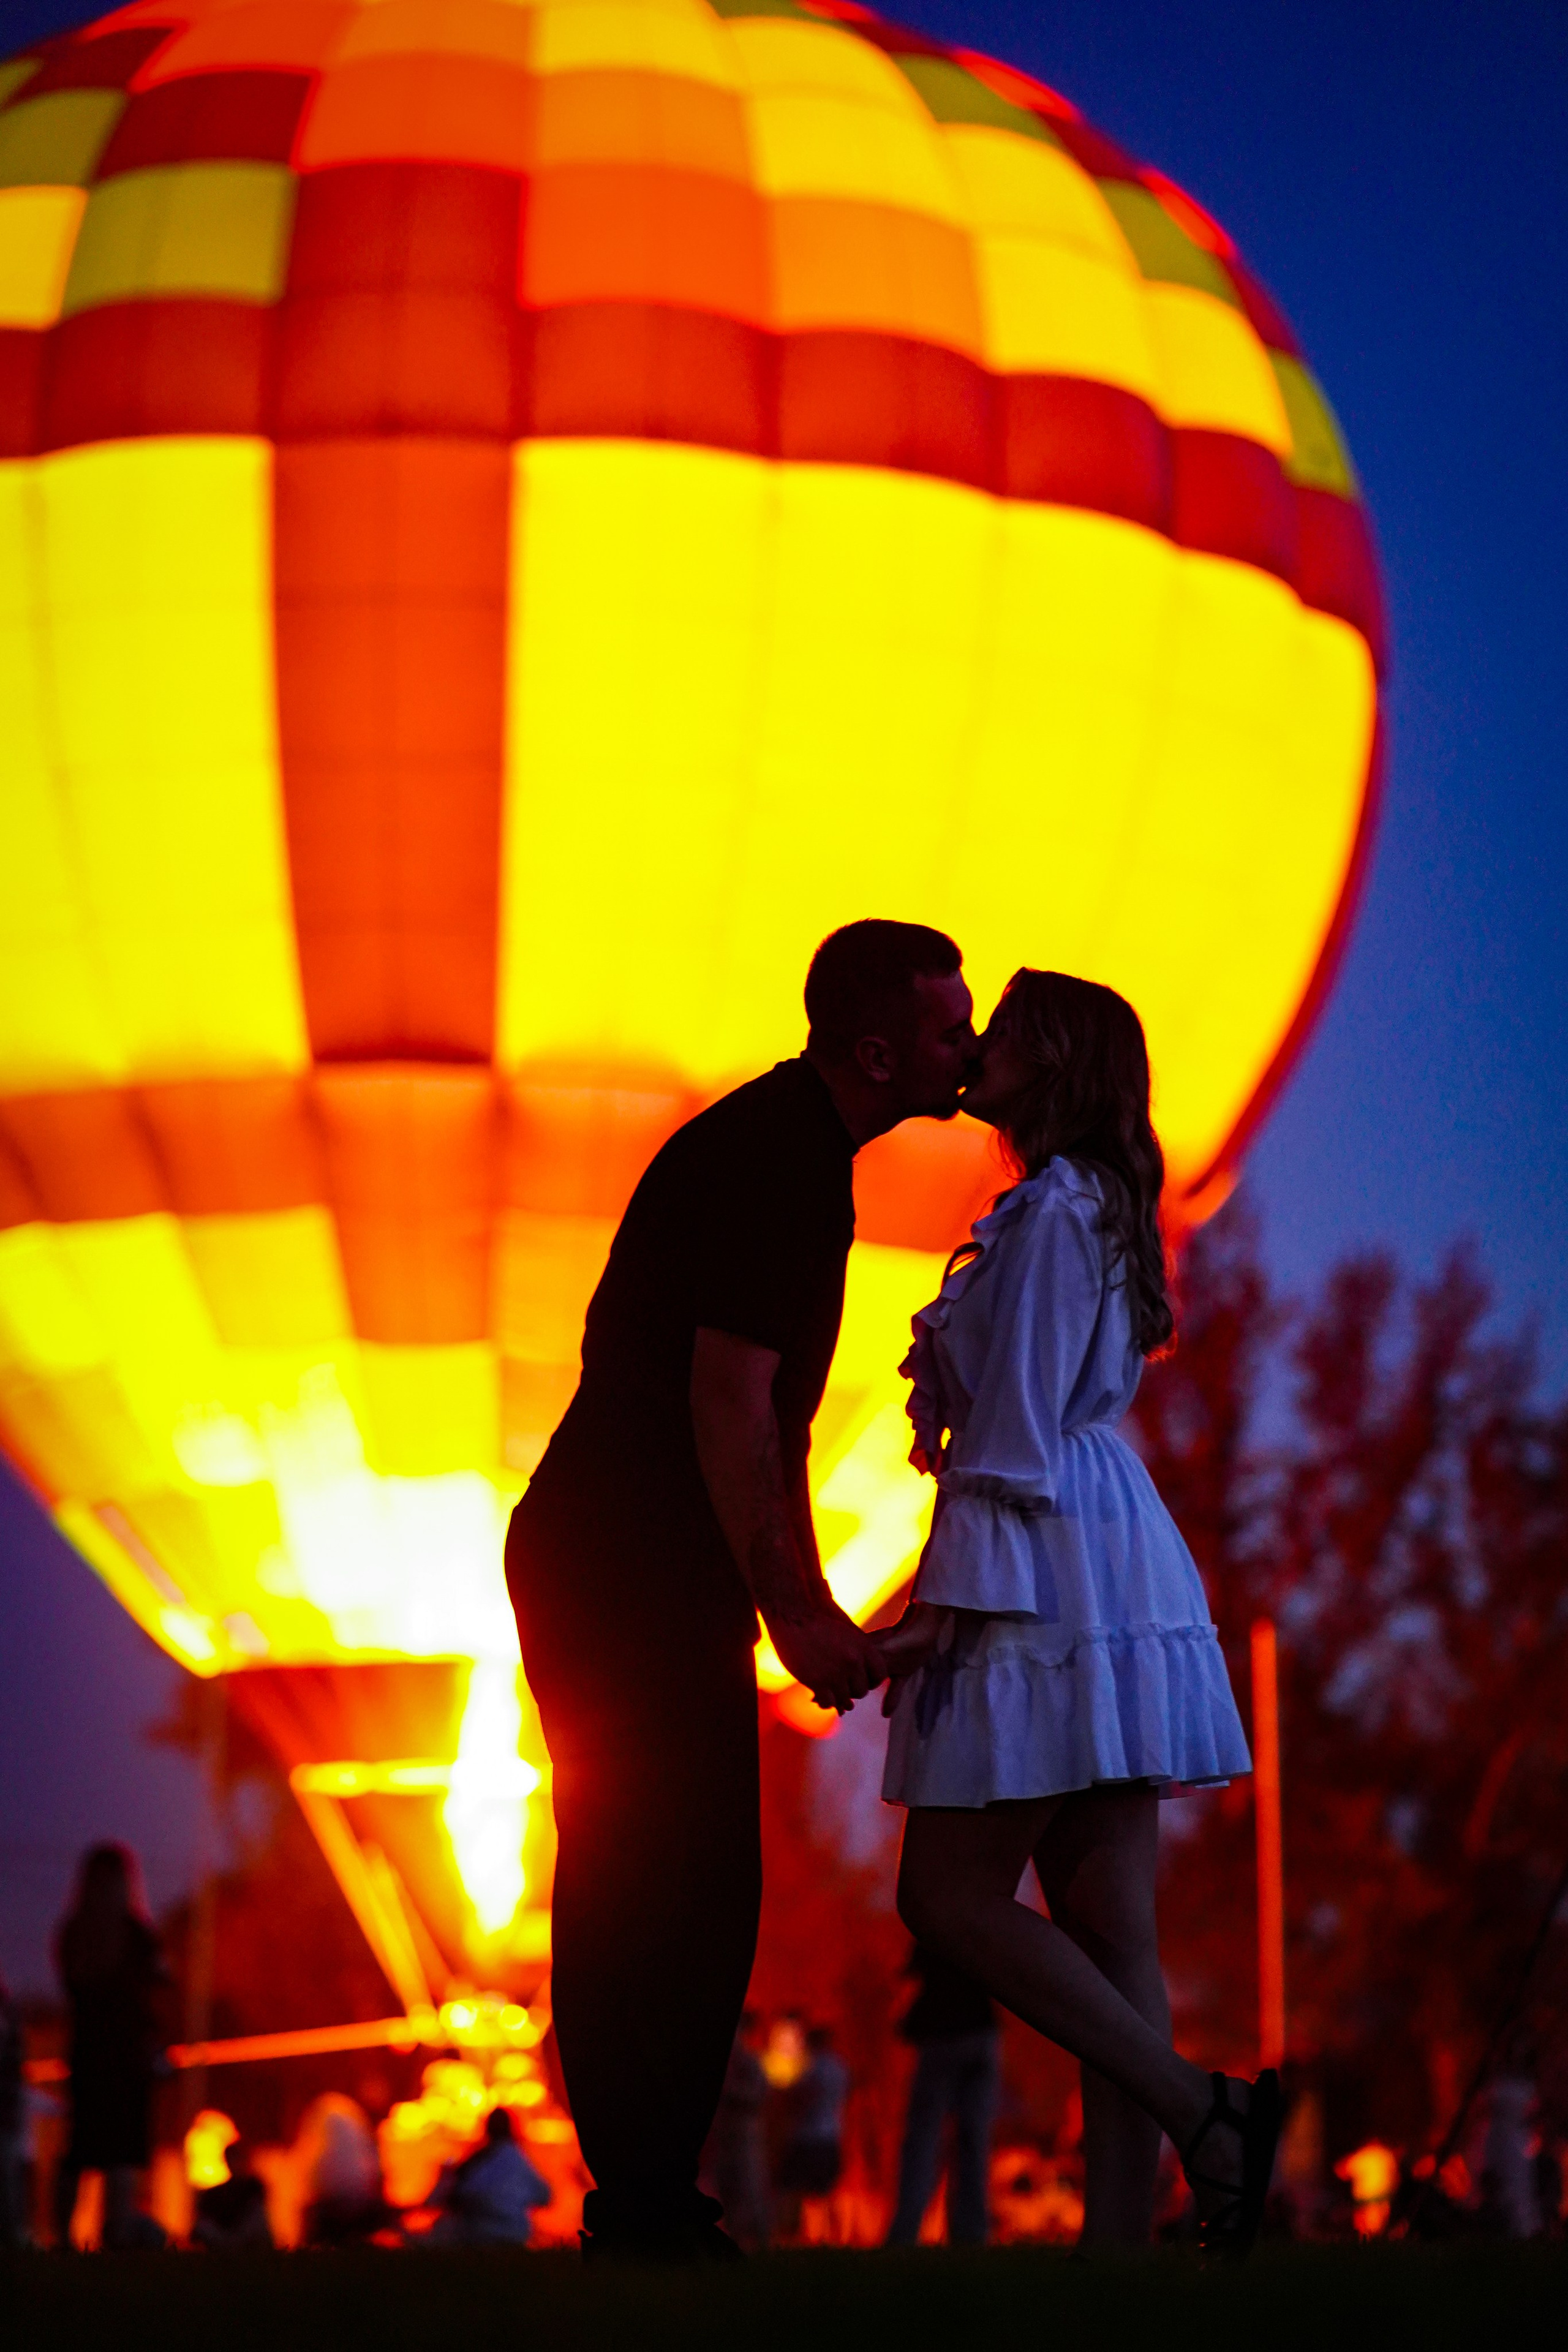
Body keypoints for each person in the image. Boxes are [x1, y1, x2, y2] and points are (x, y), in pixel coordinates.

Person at [505, 920, 977, 2261]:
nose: (968, 1047)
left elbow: (773, 1425)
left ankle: (647, 2193)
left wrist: (801, 1602)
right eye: (947, 1029)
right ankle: (643, 2199)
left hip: (636, 1559)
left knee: (676, 1874)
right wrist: (800, 1618)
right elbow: (730, 1404)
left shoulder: (788, 1154)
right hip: (627, 1563)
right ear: (876, 1051)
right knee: (661, 1876)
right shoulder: (780, 1165)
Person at [878, 971, 1276, 2255]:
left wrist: (945, 1602)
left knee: (945, 1897)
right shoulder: (1082, 1206)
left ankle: (1200, 2112)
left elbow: (1013, 1427)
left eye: (1001, 1029)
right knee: (1112, 1934)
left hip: (1041, 1550)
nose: (976, 1045)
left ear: (1051, 1060)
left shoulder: (1057, 1211)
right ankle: (1124, 2242)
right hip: (1098, 1544)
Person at [53, 1842, 172, 2250]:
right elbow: (155, 1990)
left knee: (79, 2150)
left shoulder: (74, 1934)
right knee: (122, 2153)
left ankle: (63, 2239)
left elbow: (71, 1988)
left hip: (87, 2054)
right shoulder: (136, 1936)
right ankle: (116, 2237)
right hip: (127, 2057)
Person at [885, 1940, 999, 2246]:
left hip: (942, 2038)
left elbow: (912, 1984)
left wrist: (906, 2020)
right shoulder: (980, 1934)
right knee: (973, 2139)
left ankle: (906, 2229)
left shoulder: (936, 1931)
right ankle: (971, 2233)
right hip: (982, 2034)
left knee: (923, 2140)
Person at [427, 2106, 551, 2247]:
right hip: (515, 2234)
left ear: (487, 2129)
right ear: (512, 2128)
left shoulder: (478, 2163)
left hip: (482, 2235)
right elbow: (545, 2196)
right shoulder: (520, 2160)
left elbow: (456, 2197)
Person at [774, 2023, 850, 2239]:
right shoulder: (840, 2068)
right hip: (831, 2136)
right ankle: (830, 2237)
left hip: (807, 2137)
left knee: (791, 2187)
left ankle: (789, 2234)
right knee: (825, 2191)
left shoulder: (812, 2069)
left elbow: (801, 2098)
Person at [705, 2011, 771, 2251]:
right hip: (723, 2134)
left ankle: (759, 2241)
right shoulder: (731, 2062)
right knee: (727, 2187)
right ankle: (734, 2240)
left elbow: (758, 2095)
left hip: (743, 2134)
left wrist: (730, 2094)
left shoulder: (749, 2062)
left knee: (748, 2185)